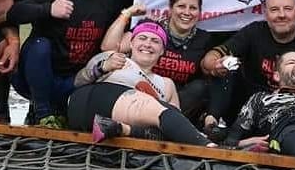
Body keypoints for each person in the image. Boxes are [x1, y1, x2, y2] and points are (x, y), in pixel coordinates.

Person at [6, 0, 115, 128]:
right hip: (36, 78)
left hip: (75, 81)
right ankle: (42, 112)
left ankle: (62, 109)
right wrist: (48, 9)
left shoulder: (107, 0)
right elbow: (13, 13)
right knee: (40, 45)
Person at [68, 18, 213, 147]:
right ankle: (208, 146)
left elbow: (175, 122)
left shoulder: (166, 84)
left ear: (162, 50)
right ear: (131, 43)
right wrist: (102, 67)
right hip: (92, 102)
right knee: (160, 110)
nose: (148, 44)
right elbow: (78, 82)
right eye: (142, 38)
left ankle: (122, 129)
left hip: (122, 121)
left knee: (171, 123)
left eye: (155, 41)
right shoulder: (116, 58)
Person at [101, 0, 221, 124]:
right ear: (170, 8)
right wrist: (127, 13)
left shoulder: (204, 39)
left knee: (199, 87)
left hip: (175, 103)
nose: (187, 12)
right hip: (138, 95)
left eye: (193, 8)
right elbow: (108, 47)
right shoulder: (151, 29)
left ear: (199, 12)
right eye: (181, 6)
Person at [202, 0, 295, 107]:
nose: (281, 15)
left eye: (288, 9)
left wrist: (281, 97)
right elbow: (209, 60)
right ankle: (212, 121)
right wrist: (216, 66)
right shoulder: (254, 32)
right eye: (274, 10)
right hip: (253, 107)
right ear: (266, 14)